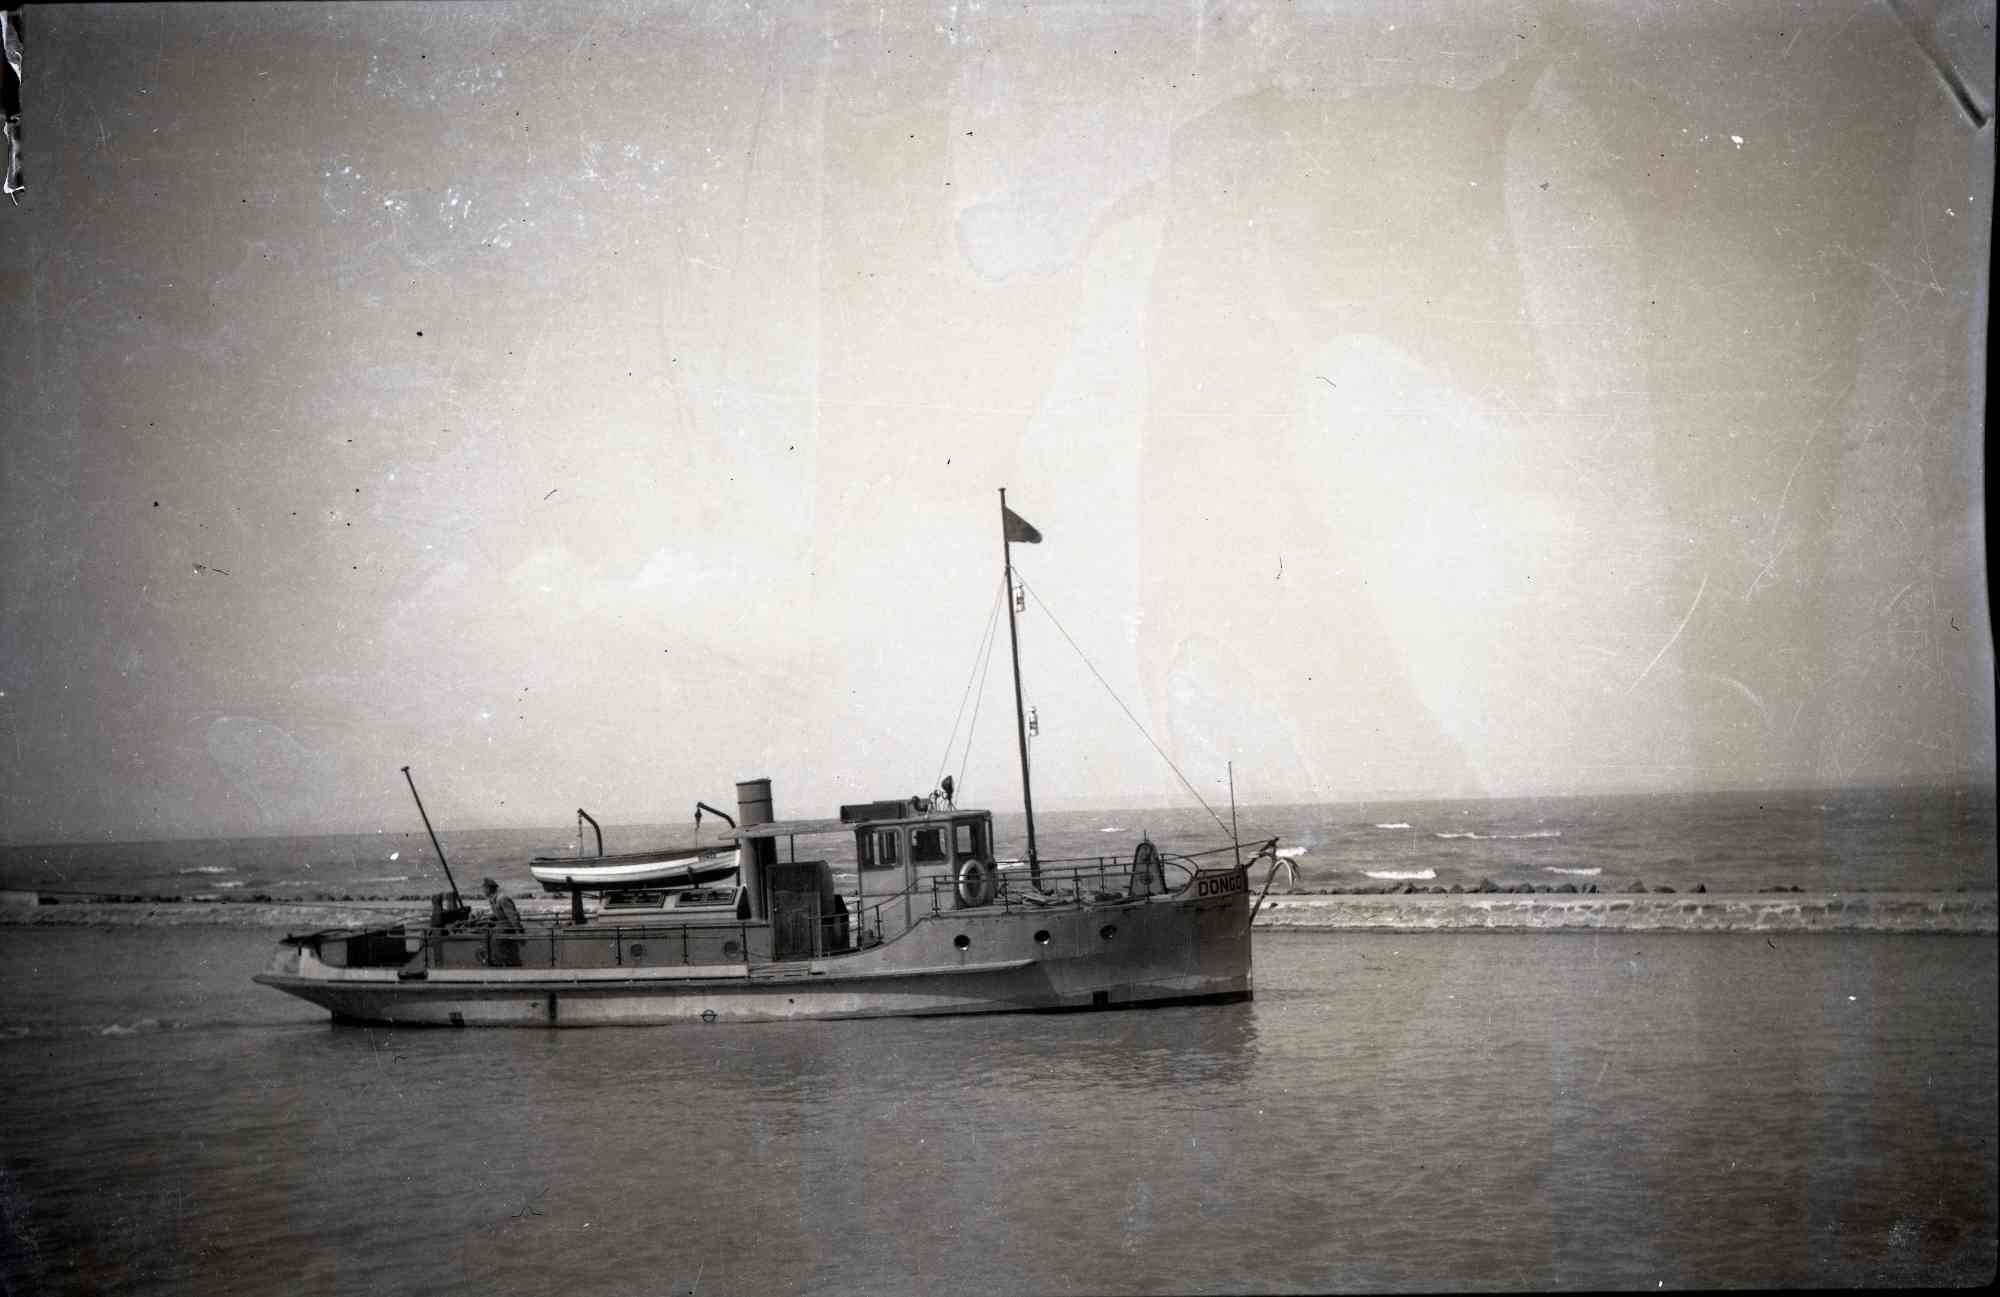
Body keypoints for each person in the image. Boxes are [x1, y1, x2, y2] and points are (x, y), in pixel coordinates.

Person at [483, 877, 524, 967]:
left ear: (489, 889)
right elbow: (500, 914)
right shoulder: (493, 899)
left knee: (494, 937)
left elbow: (512, 916)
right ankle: (496, 959)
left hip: (508, 926)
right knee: (485, 931)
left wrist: (518, 931)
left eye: (484, 888)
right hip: (502, 924)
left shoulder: (502, 899)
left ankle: (498, 961)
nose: (483, 891)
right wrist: (488, 918)